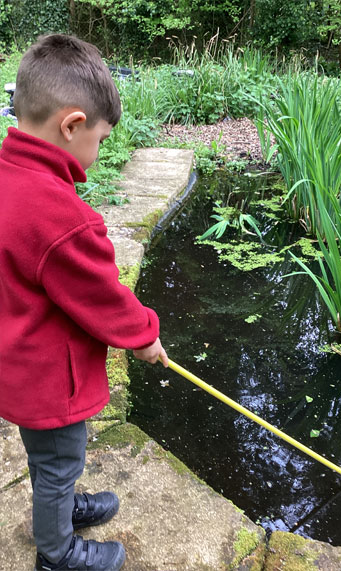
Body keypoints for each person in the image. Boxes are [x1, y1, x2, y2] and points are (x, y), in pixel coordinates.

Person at [0, 34, 168, 571]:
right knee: (57, 461)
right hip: (48, 376)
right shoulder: (62, 218)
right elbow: (102, 296)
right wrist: (143, 335)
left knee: (49, 458)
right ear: (71, 125)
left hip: (18, 362)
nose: (98, 155)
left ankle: (62, 506)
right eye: (100, 139)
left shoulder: (9, 177)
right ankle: (57, 551)